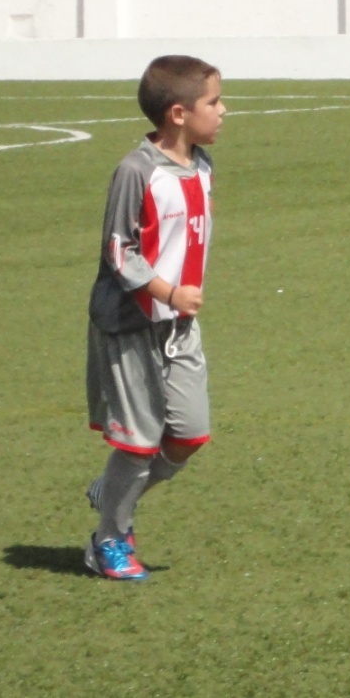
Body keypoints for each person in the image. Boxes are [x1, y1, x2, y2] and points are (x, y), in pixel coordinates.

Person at [82, 55, 226, 579]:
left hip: (178, 327)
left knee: (189, 435)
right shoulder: (136, 170)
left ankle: (114, 491)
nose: (224, 111)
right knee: (138, 443)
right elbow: (118, 251)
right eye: (214, 101)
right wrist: (168, 291)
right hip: (130, 325)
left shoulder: (203, 166)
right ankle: (108, 541)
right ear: (179, 113)